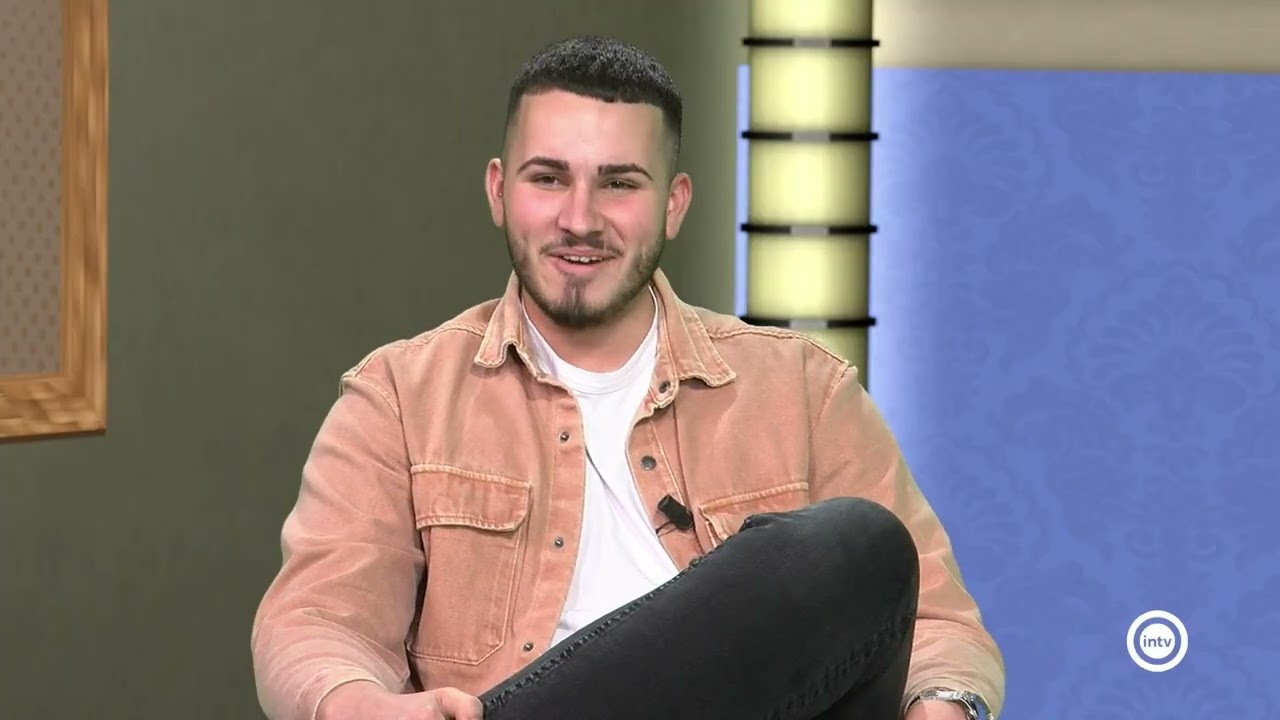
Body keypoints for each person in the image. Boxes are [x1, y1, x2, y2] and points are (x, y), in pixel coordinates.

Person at [251, 35, 1004, 720]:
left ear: (674, 205)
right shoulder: (397, 397)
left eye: (619, 184)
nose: (580, 218)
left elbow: (940, 625)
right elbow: (318, 620)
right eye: (549, 178)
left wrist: (945, 705)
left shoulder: (804, 389)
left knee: (859, 545)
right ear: (498, 191)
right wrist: (357, 707)